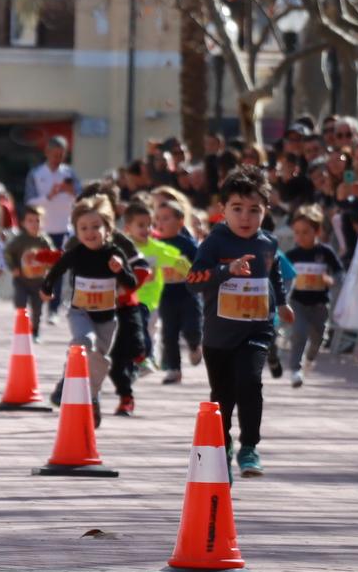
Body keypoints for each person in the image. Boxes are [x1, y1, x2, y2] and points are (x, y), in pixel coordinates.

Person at [188, 166, 291, 476]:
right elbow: (193, 281)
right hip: (219, 336)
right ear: (222, 210)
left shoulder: (268, 243)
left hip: (257, 329)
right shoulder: (214, 243)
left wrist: (283, 303)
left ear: (266, 210)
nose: (245, 217)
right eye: (237, 209)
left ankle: (249, 447)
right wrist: (225, 271)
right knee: (222, 398)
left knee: (250, 382)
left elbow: (274, 274)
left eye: (254, 210)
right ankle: (224, 446)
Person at [41, 196, 146, 421]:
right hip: (81, 311)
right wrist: (47, 287)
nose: (90, 232)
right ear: (77, 231)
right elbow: (56, 271)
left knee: (99, 357)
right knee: (83, 342)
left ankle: (93, 397)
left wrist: (119, 270)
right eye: (83, 228)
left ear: (108, 229)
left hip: (107, 317)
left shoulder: (114, 253)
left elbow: (130, 284)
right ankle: (70, 377)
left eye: (96, 227)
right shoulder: (76, 253)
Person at [116, 200, 187, 414]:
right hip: (130, 300)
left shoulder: (158, 248)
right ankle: (142, 359)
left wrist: (195, 274)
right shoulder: (123, 249)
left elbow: (178, 261)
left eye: (150, 224)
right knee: (134, 333)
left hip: (152, 302)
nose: (147, 229)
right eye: (141, 225)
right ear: (127, 228)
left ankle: (146, 358)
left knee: (147, 330)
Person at [280, 206, 343, 388]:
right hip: (297, 302)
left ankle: (310, 359)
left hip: (320, 304)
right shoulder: (292, 255)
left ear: (317, 231)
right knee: (299, 333)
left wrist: (330, 280)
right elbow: (281, 275)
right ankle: (295, 370)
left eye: (305, 232)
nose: (300, 237)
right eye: (297, 233)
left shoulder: (325, 253)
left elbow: (340, 273)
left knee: (318, 338)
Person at [153, 200, 201, 385]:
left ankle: (195, 345)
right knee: (169, 333)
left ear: (180, 221)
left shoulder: (187, 244)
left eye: (166, 218)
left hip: (187, 293)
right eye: (157, 219)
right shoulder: (155, 244)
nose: (160, 223)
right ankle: (174, 369)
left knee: (191, 327)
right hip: (166, 295)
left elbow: (200, 263)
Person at [3, 206, 53, 341]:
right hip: (22, 280)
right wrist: (13, 267)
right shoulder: (20, 240)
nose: (34, 224)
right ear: (24, 223)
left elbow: (52, 257)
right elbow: (8, 253)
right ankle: (22, 330)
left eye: (37, 221)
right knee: (21, 305)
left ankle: (35, 331)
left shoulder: (44, 241)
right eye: (30, 221)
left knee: (37, 309)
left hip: (39, 281)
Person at [24, 136, 81, 249]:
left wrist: (72, 192)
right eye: (55, 155)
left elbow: (82, 200)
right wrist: (49, 196)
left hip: (66, 230)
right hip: (43, 231)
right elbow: (29, 203)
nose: (58, 159)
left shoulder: (70, 173)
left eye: (61, 155)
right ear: (47, 152)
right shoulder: (35, 174)